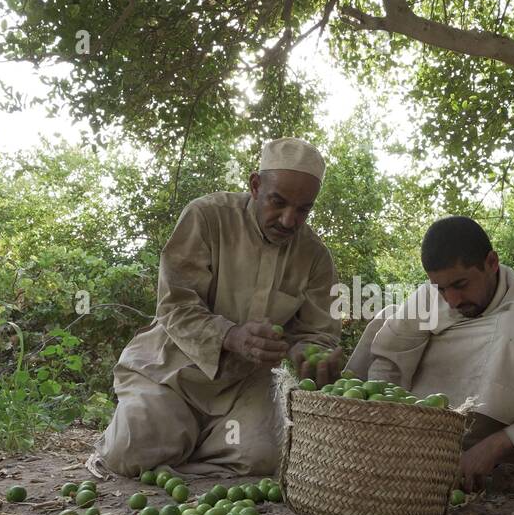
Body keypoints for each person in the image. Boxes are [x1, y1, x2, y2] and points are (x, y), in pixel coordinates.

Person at [90, 137, 344, 479]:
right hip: (172, 371)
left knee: (263, 458)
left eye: (303, 210)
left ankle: (184, 449)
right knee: (129, 450)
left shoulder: (315, 257)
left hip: (244, 386)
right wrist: (231, 335)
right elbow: (175, 304)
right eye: (278, 202)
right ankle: (172, 435)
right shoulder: (207, 216)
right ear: (255, 185)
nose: (288, 220)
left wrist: (310, 352)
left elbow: (318, 333)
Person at [345, 216, 514, 490]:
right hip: (423, 432)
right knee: (388, 317)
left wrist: (501, 444)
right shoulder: (428, 299)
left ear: (492, 263)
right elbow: (387, 367)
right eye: (441, 288)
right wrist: (378, 434)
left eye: (461, 284)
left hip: (500, 440)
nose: (451, 300)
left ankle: (500, 465)